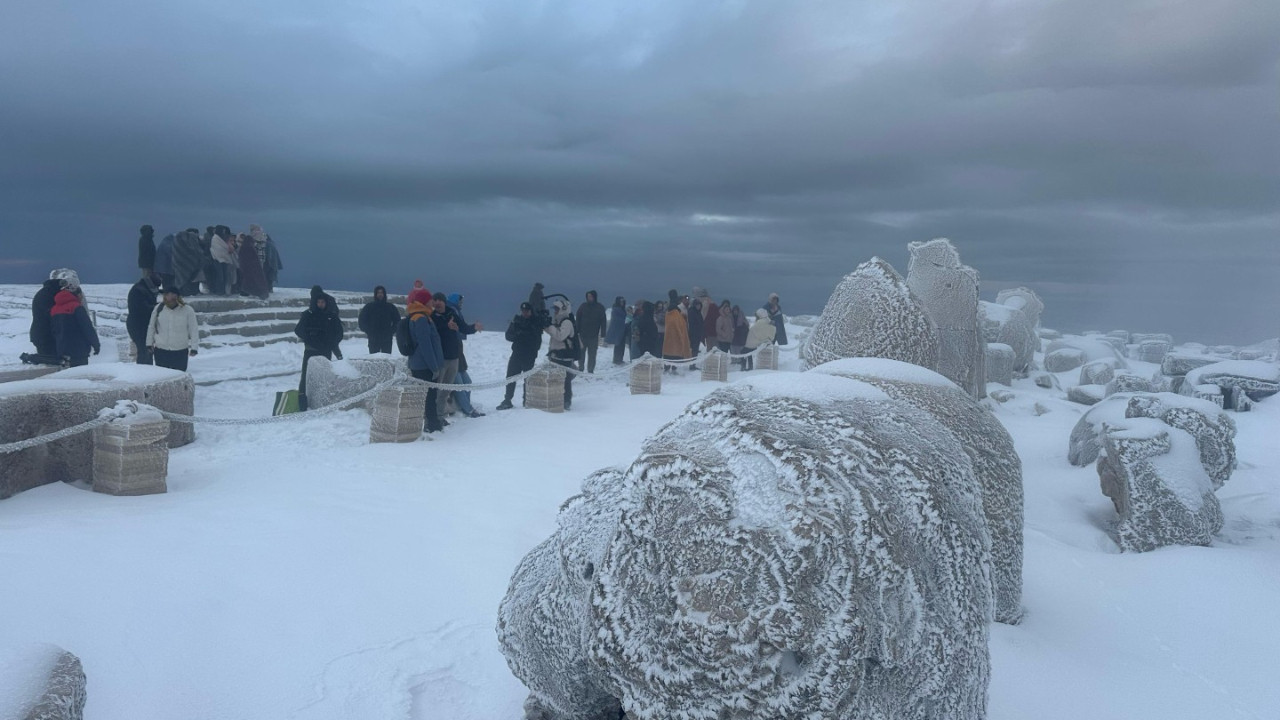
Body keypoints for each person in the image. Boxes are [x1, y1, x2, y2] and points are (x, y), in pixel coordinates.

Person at [294, 285, 345, 408]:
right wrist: (311, 337)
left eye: (322, 302)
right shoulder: (308, 314)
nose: (320, 304)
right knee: (305, 376)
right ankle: (302, 402)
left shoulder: (331, 317)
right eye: (318, 302)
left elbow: (338, 333)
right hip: (311, 350)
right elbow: (299, 330)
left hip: (325, 350)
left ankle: (322, 400)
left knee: (324, 376)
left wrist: (331, 343)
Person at [405, 287, 445, 433]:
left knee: (428, 395)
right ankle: (432, 424)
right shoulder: (421, 319)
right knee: (429, 396)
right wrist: (434, 367)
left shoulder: (420, 316)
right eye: (429, 301)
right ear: (423, 302)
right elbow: (425, 346)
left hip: (420, 363)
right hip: (424, 366)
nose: (432, 303)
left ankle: (431, 422)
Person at [496, 301, 543, 411]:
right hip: (516, 353)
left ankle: (528, 400)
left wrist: (527, 338)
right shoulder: (517, 320)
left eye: (527, 311)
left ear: (530, 311)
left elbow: (537, 343)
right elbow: (508, 335)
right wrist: (518, 335)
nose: (525, 313)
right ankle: (507, 400)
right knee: (510, 377)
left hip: (529, 355)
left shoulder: (535, 322)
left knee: (528, 379)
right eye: (523, 311)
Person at [446, 293, 485, 418]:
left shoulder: (456, 312)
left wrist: (473, 327)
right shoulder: (451, 313)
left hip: (458, 353)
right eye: (460, 301)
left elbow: (462, 328)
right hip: (450, 355)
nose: (461, 304)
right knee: (459, 385)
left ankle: (466, 407)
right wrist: (473, 327)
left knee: (467, 382)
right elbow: (463, 328)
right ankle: (468, 410)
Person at [146, 286, 200, 371]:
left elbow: (193, 329)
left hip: (180, 351)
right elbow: (151, 326)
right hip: (161, 350)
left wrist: (194, 348)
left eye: (172, 294)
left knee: (179, 376)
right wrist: (149, 343)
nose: (170, 297)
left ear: (177, 296)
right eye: (167, 294)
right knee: (162, 377)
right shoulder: (159, 308)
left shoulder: (187, 310)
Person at [431, 292, 463, 423]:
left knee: (446, 390)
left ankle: (441, 415)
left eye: (440, 300)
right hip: (441, 359)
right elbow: (434, 331)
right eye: (435, 300)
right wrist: (446, 326)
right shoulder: (432, 317)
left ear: (444, 302)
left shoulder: (452, 314)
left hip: (454, 358)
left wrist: (473, 327)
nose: (437, 302)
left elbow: (463, 327)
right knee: (437, 390)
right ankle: (433, 417)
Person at [50, 286, 100, 367]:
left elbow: (54, 330)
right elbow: (87, 328)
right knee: (80, 375)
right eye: (81, 295)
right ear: (78, 294)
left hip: (62, 350)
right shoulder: (77, 307)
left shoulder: (54, 309)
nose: (82, 298)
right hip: (79, 350)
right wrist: (96, 344)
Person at [546, 297, 577, 410]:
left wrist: (549, 327)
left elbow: (560, 336)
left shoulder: (567, 322)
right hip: (556, 355)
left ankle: (566, 401)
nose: (555, 311)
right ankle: (557, 399)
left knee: (566, 380)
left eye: (557, 309)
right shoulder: (557, 321)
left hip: (565, 356)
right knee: (556, 379)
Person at [127, 273, 161, 364]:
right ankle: (144, 372)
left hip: (142, 325)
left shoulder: (144, 288)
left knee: (147, 350)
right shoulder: (139, 291)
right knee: (144, 351)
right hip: (138, 326)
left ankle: (147, 371)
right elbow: (142, 309)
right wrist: (159, 306)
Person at [29, 274, 65, 359]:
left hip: (41, 335)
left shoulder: (45, 293)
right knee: (50, 362)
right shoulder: (47, 295)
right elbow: (52, 315)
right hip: (44, 336)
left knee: (49, 361)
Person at [358, 285, 400, 354]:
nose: (380, 294)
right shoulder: (369, 307)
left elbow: (397, 321)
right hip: (373, 339)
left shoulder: (390, 307)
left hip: (387, 339)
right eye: (378, 293)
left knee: (387, 361)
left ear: (384, 294)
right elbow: (362, 320)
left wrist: (391, 331)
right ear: (375, 294)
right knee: (374, 361)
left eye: (382, 292)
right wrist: (368, 331)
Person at [575, 290, 608, 373]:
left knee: (592, 354)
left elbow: (603, 321)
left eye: (591, 296)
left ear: (594, 297)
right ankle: (581, 368)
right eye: (588, 296)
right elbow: (578, 318)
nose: (589, 298)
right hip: (582, 334)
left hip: (593, 336)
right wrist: (576, 330)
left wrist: (603, 333)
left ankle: (590, 370)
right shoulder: (583, 306)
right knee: (581, 353)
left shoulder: (600, 307)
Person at [662, 290, 690, 374]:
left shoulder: (669, 310)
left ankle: (668, 367)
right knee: (674, 352)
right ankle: (672, 367)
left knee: (670, 351)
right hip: (674, 335)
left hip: (669, 336)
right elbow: (676, 323)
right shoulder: (674, 310)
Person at [237, 233, 270, 300]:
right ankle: (261, 293)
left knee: (248, 281)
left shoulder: (243, 248)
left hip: (246, 268)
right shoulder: (250, 248)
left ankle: (245, 292)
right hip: (252, 268)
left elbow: (241, 259)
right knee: (256, 281)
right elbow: (254, 260)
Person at [606, 296, 628, 365]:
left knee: (622, 345)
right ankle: (616, 359)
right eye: (620, 301)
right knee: (618, 345)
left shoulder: (622, 309)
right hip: (618, 330)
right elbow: (617, 319)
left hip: (623, 329)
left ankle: (620, 358)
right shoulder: (615, 309)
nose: (622, 303)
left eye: (622, 301)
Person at [685, 294, 703, 368]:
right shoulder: (692, 312)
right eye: (697, 305)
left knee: (695, 350)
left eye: (699, 305)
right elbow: (692, 324)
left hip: (697, 334)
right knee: (694, 350)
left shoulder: (698, 312)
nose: (698, 306)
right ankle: (692, 365)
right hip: (693, 334)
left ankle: (693, 364)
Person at [730, 304, 750, 369]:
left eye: (736, 311)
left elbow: (746, 327)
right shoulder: (730, 318)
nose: (735, 312)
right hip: (733, 337)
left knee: (740, 349)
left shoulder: (742, 319)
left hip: (741, 337)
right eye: (734, 311)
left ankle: (740, 360)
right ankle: (734, 360)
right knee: (733, 349)